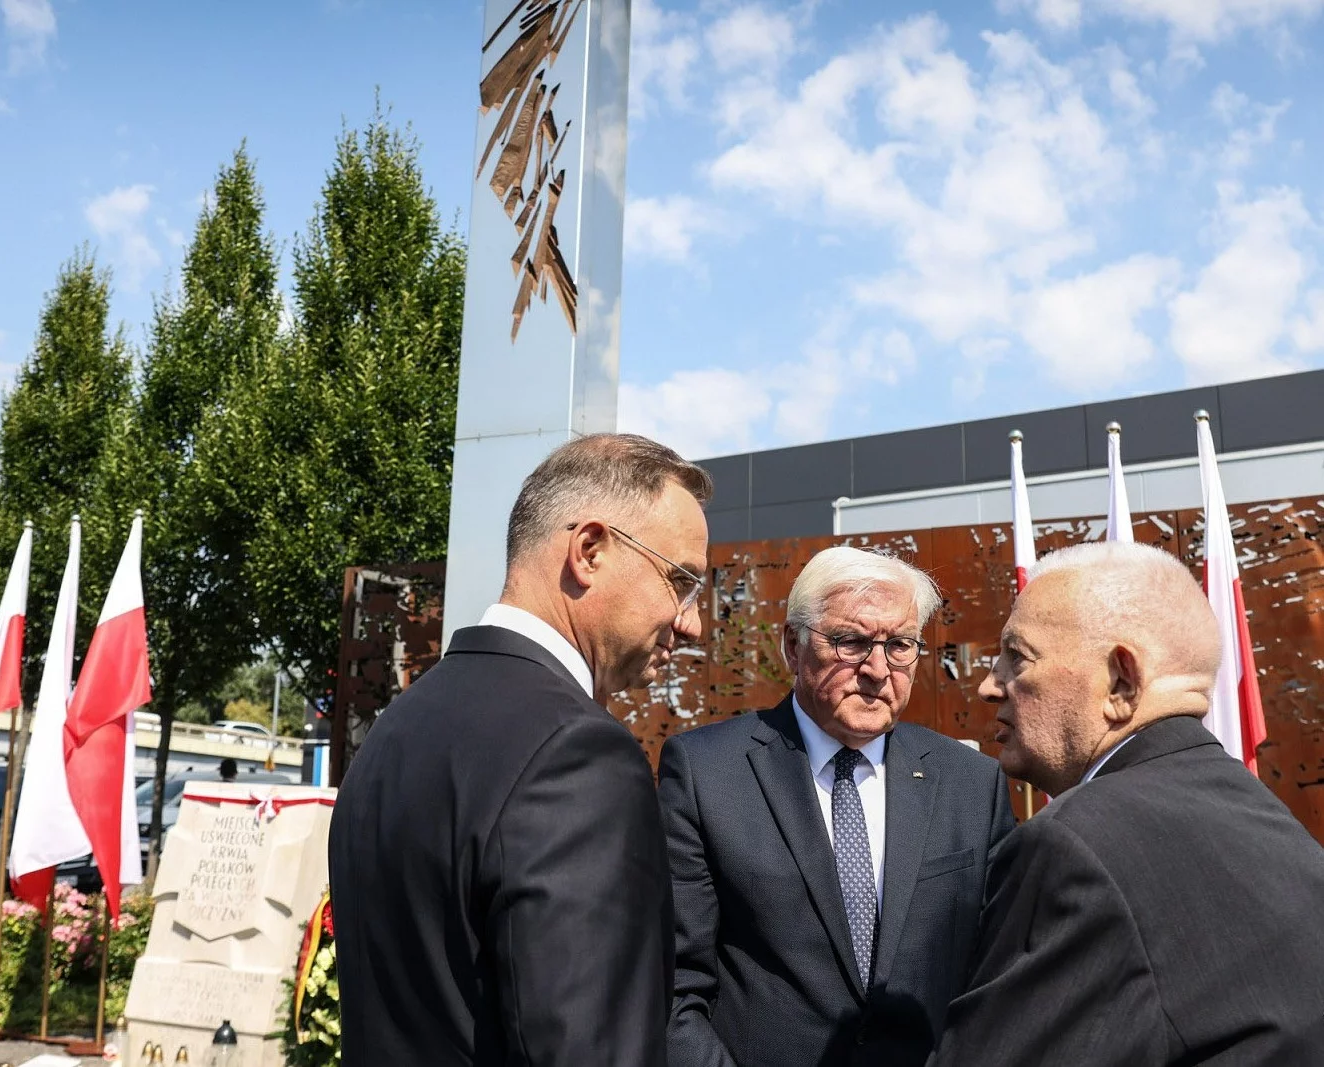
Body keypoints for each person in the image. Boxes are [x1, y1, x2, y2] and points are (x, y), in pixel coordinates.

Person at [329, 433, 712, 1066]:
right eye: (681, 581)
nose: (693, 622)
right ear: (590, 551)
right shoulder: (578, 753)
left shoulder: (395, 729)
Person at [930, 541, 1324, 1066]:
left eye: (1017, 658)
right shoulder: (1264, 816)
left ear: (1120, 680)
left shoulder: (1073, 846)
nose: (987, 685)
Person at [660, 546, 1015, 1066]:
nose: (877, 669)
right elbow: (673, 985)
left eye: (899, 645)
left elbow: (1000, 974)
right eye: (850, 642)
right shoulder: (705, 773)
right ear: (793, 647)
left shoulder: (971, 783)